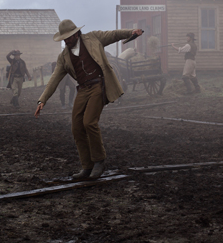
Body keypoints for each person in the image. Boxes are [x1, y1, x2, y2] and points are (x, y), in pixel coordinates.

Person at [35, 19, 143, 180]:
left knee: (89, 122)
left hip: (99, 85)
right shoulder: (64, 57)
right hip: (83, 89)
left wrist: (130, 32)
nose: (66, 41)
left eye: (69, 37)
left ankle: (99, 161)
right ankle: (87, 166)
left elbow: (113, 35)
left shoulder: (93, 38)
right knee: (76, 127)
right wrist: (42, 100)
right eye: (64, 39)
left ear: (76, 34)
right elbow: (54, 78)